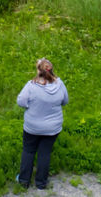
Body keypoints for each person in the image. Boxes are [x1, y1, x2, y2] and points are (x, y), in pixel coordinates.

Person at [16, 57, 68, 189]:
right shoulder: (60, 84)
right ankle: (41, 183)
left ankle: (23, 181)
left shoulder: (31, 86)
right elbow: (65, 101)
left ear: (38, 71)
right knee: (45, 153)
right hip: (52, 128)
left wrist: (31, 105)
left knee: (28, 151)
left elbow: (21, 101)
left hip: (32, 127)